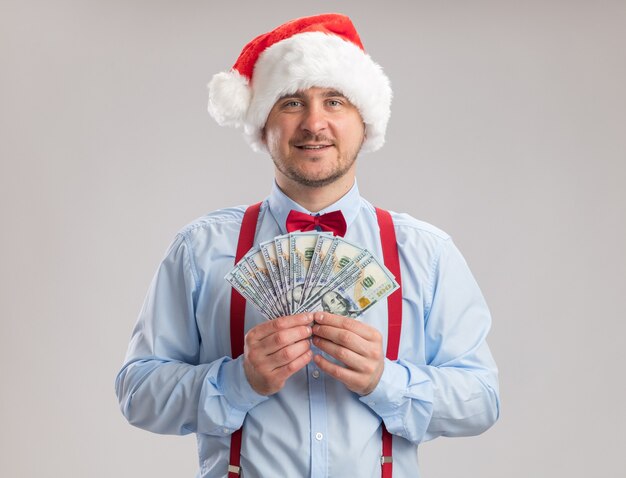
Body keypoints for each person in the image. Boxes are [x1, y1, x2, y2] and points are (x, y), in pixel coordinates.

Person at [115, 13, 500, 478]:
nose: (314, 123)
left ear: (365, 121)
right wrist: (238, 380)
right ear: (262, 125)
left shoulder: (426, 252)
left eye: (335, 101)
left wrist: (388, 381)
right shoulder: (200, 249)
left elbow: (482, 398)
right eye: (292, 102)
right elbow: (137, 392)